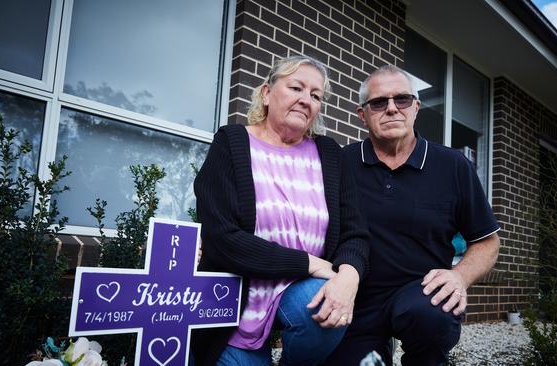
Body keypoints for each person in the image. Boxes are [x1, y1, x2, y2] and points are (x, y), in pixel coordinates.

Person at [190, 55, 369, 366]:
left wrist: (349, 277)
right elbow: (222, 238)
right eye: (296, 87)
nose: (305, 100)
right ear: (266, 92)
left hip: (300, 293)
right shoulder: (231, 143)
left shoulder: (329, 154)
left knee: (320, 308)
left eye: (315, 96)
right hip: (239, 305)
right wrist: (310, 263)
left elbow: (356, 231)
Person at [324, 65, 500, 366]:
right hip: (357, 298)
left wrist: (460, 276)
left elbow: (487, 242)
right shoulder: (342, 163)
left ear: (416, 108)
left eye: (402, 100)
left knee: (430, 317)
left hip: (421, 295)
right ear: (362, 114)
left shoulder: (453, 166)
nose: (391, 108)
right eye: (379, 102)